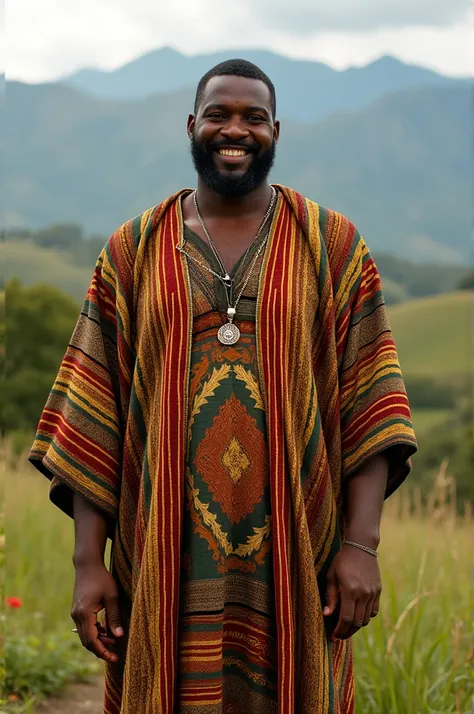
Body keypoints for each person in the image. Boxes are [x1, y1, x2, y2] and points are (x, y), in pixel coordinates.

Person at [30, 59, 417, 714]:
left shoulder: (334, 247)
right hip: (162, 564)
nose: (234, 130)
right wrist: (87, 564)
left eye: (252, 118)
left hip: (299, 562)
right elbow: (95, 413)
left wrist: (361, 546)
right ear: (192, 125)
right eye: (218, 115)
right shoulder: (132, 252)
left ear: (275, 131)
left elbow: (371, 404)